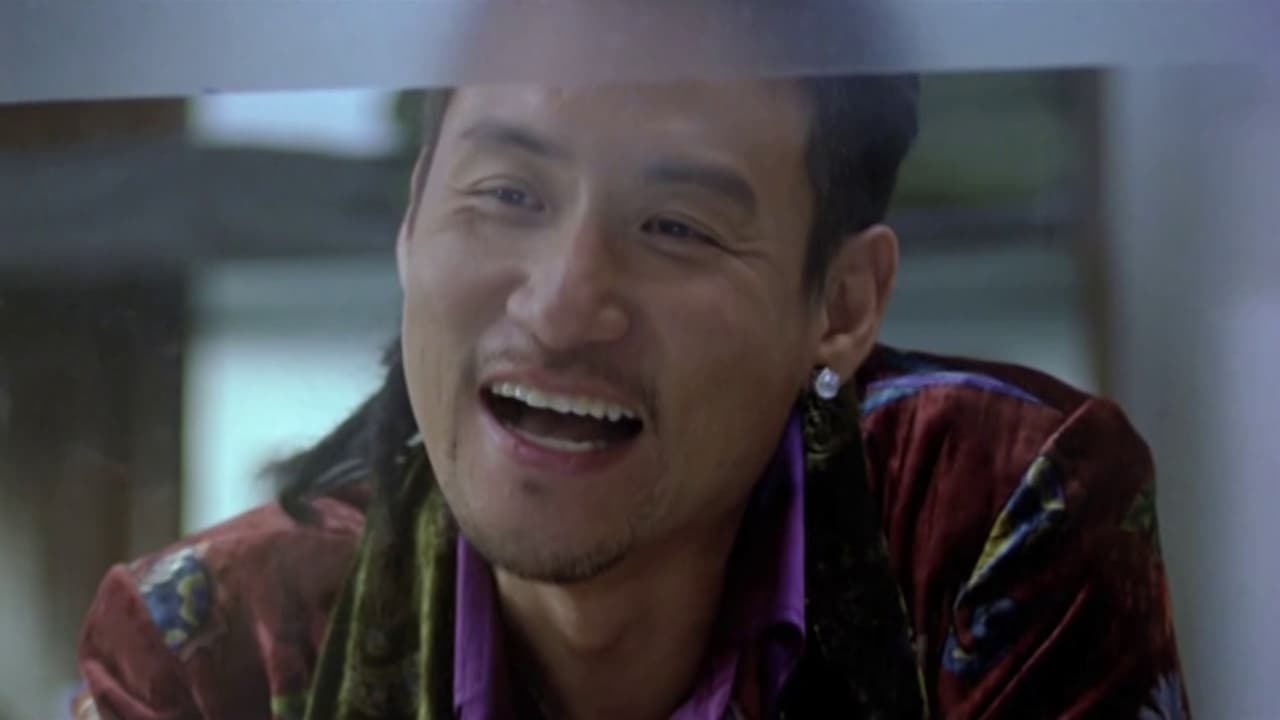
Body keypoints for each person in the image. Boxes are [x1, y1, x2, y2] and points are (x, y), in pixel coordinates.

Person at [73, 74, 1188, 720]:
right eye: (507, 193)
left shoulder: (987, 509)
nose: (562, 308)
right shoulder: (209, 652)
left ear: (842, 304)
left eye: (675, 227)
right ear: (412, 219)